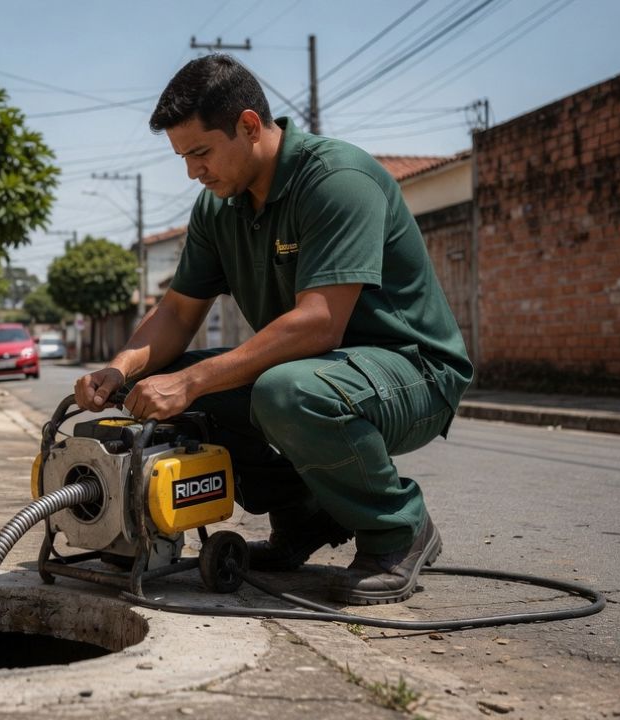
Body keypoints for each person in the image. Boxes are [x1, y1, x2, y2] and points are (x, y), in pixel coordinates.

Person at [73, 54, 474, 606]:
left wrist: (195, 382)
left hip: (413, 373)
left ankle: (398, 531)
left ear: (249, 125)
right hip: (316, 371)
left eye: (200, 152)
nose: (193, 171)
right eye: (182, 157)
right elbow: (177, 313)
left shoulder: (337, 180)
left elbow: (320, 323)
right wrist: (119, 369)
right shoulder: (220, 208)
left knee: (281, 390)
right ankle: (304, 519)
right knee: (159, 385)